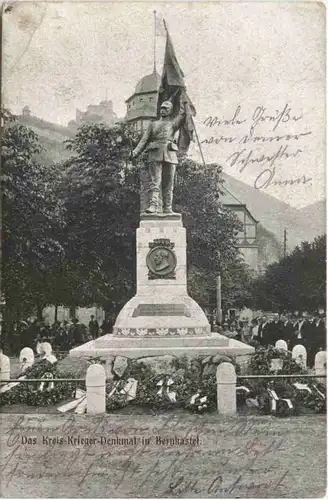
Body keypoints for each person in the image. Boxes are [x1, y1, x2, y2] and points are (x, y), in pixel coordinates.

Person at [132, 94, 187, 215]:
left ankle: (167, 208)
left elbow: (183, 115)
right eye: (162, 108)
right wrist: (135, 152)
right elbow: (144, 140)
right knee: (155, 182)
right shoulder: (153, 124)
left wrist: (184, 99)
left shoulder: (173, 124)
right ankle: (153, 206)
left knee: (169, 183)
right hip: (155, 153)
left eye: (166, 108)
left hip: (170, 154)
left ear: (170, 110)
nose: (163, 110)